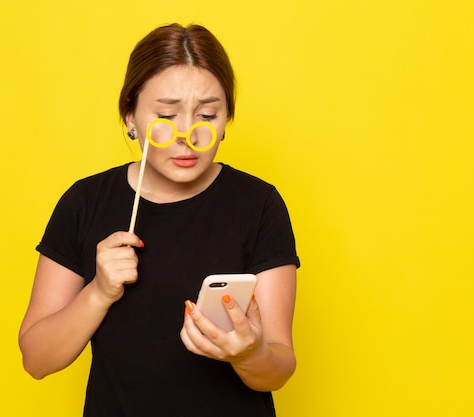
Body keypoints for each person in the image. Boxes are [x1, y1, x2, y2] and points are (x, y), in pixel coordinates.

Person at [19, 23, 300, 417]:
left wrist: (250, 352)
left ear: (226, 120)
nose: (187, 134)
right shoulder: (84, 202)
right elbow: (36, 360)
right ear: (130, 115)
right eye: (167, 114)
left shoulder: (258, 204)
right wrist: (98, 292)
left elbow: (278, 370)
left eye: (207, 114)